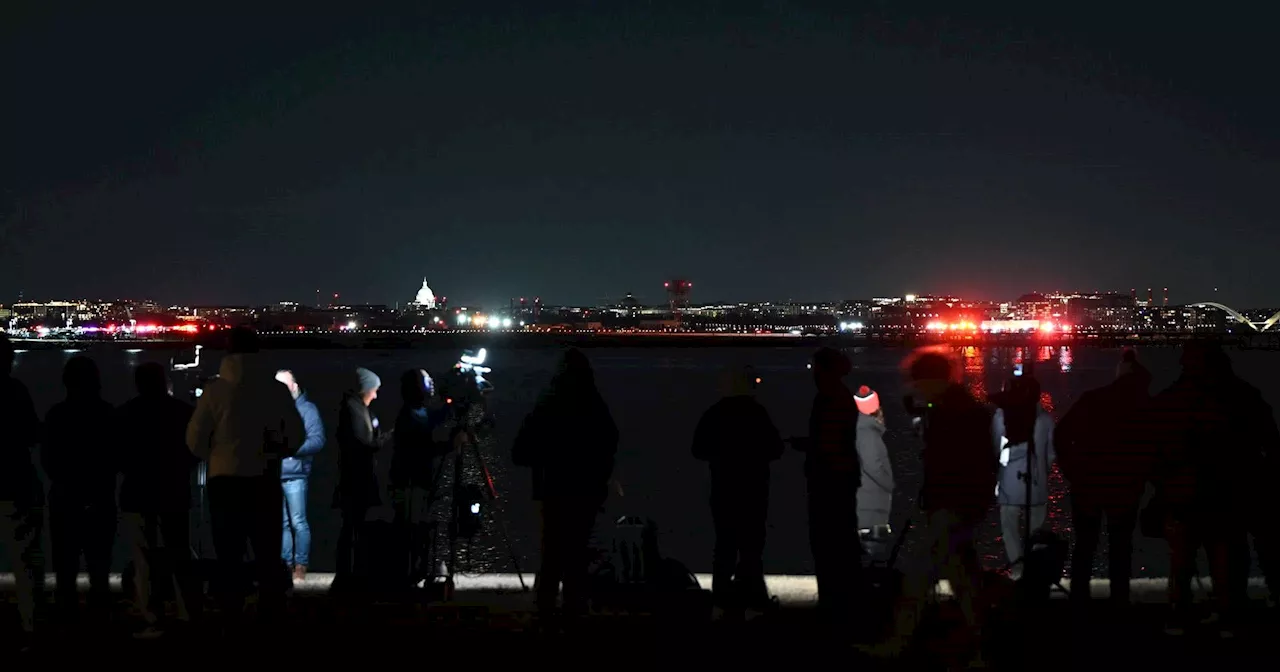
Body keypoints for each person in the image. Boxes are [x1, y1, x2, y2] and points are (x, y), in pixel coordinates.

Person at [864, 347, 995, 661]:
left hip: (951, 504)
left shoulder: (953, 412)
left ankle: (900, 643)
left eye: (918, 382)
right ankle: (980, 646)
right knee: (960, 579)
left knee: (922, 577)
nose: (914, 388)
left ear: (931, 380)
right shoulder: (955, 406)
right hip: (958, 504)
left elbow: (950, 460)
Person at [187, 327, 304, 628]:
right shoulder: (275, 390)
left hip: (224, 480)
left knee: (228, 553)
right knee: (266, 553)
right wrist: (275, 449)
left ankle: (231, 615)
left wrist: (215, 453)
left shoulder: (215, 391)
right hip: (264, 479)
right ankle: (270, 615)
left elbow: (194, 439)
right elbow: (296, 435)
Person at [512, 349, 617, 621]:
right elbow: (609, 444)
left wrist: (547, 457)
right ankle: (575, 609)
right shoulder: (595, 405)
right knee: (578, 552)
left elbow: (521, 451)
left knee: (552, 553)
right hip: (586, 491)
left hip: (554, 489)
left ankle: (545, 609)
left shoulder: (549, 404)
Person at [1149, 341, 1243, 635]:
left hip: (1181, 493)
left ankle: (1178, 615)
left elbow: (1154, 449)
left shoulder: (1170, 400)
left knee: (1181, 562)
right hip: (1219, 493)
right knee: (1222, 560)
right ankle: (1226, 616)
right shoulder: (1231, 401)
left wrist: (1162, 482)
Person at [1054, 349, 1156, 607]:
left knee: (1084, 546)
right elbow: (1155, 449)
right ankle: (1119, 601)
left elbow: (1061, 435)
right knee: (1121, 547)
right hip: (1125, 486)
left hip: (1087, 484)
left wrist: (1072, 471)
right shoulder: (1145, 407)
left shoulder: (1092, 399)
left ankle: (1079, 600)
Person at [691, 365, 784, 615]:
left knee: (724, 544)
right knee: (752, 545)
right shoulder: (757, 413)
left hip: (723, 488)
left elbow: (698, 450)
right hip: (754, 488)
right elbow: (776, 449)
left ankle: (722, 595)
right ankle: (752, 594)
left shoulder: (715, 413)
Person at [116, 362, 199, 638]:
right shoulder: (184, 412)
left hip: (137, 491)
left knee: (144, 557)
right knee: (179, 553)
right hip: (174, 490)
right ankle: (187, 611)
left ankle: (153, 615)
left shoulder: (125, 414)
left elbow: (117, 456)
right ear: (164, 382)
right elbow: (196, 451)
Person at [43, 355, 117, 622]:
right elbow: (116, 457)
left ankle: (67, 620)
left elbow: (48, 460)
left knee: (65, 564)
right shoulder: (109, 413)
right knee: (100, 564)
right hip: (100, 496)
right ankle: (101, 619)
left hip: (65, 497)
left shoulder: (56, 415)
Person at [799, 347, 861, 621]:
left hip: (829, 480)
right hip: (841, 477)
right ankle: (843, 599)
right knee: (842, 540)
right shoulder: (841, 396)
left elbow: (829, 441)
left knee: (827, 541)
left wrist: (810, 449)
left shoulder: (828, 398)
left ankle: (833, 603)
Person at [0, 334, 45, 649]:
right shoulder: (15, 391)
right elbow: (32, 433)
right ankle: (31, 625)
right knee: (25, 559)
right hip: (15, 481)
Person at [389, 369, 452, 586]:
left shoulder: (417, 412)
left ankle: (415, 570)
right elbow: (423, 449)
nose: (431, 384)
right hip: (411, 483)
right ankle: (410, 573)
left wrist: (452, 403)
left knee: (417, 527)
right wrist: (452, 444)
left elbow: (435, 418)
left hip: (416, 481)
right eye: (427, 381)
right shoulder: (410, 415)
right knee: (413, 528)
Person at [333, 367, 391, 592]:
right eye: (373, 390)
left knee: (353, 527)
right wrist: (390, 436)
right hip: (355, 481)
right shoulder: (353, 411)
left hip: (357, 479)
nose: (375, 395)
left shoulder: (358, 409)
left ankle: (351, 573)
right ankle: (347, 576)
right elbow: (365, 444)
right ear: (364, 389)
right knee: (352, 527)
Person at [992, 374, 1056, 575]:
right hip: (1037, 483)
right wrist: (1043, 471)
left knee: (1009, 526)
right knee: (1035, 531)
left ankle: (1017, 568)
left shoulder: (1001, 416)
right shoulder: (1045, 418)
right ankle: (1033, 570)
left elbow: (996, 448)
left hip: (1009, 482)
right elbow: (1051, 452)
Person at [275, 369, 326, 583]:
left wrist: (290, 448)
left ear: (295, 386)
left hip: (296, 475)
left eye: (285, 385)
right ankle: (285, 565)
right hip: (276, 473)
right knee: (283, 524)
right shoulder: (274, 409)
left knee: (298, 522)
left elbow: (317, 440)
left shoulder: (307, 409)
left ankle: (300, 566)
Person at [854, 385, 895, 563]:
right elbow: (874, 467)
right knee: (873, 560)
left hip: (866, 509)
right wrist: (892, 485)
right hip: (871, 511)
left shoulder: (861, 430)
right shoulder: (868, 434)